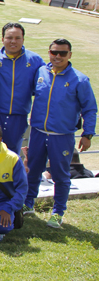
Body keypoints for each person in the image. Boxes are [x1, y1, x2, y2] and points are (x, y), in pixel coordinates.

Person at [24, 39, 97, 228]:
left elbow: (89, 109)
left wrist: (88, 134)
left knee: (60, 176)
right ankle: (28, 203)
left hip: (62, 136)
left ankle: (57, 212)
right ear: (49, 52)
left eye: (62, 53)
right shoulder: (40, 73)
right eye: (54, 52)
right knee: (33, 171)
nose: (57, 56)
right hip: (38, 133)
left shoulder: (79, 80)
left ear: (70, 55)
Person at [0, 23, 45, 155]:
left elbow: (45, 85)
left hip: (19, 117)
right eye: (9, 37)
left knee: (12, 154)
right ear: (2, 39)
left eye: (17, 38)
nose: (13, 41)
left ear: (23, 39)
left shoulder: (35, 60)